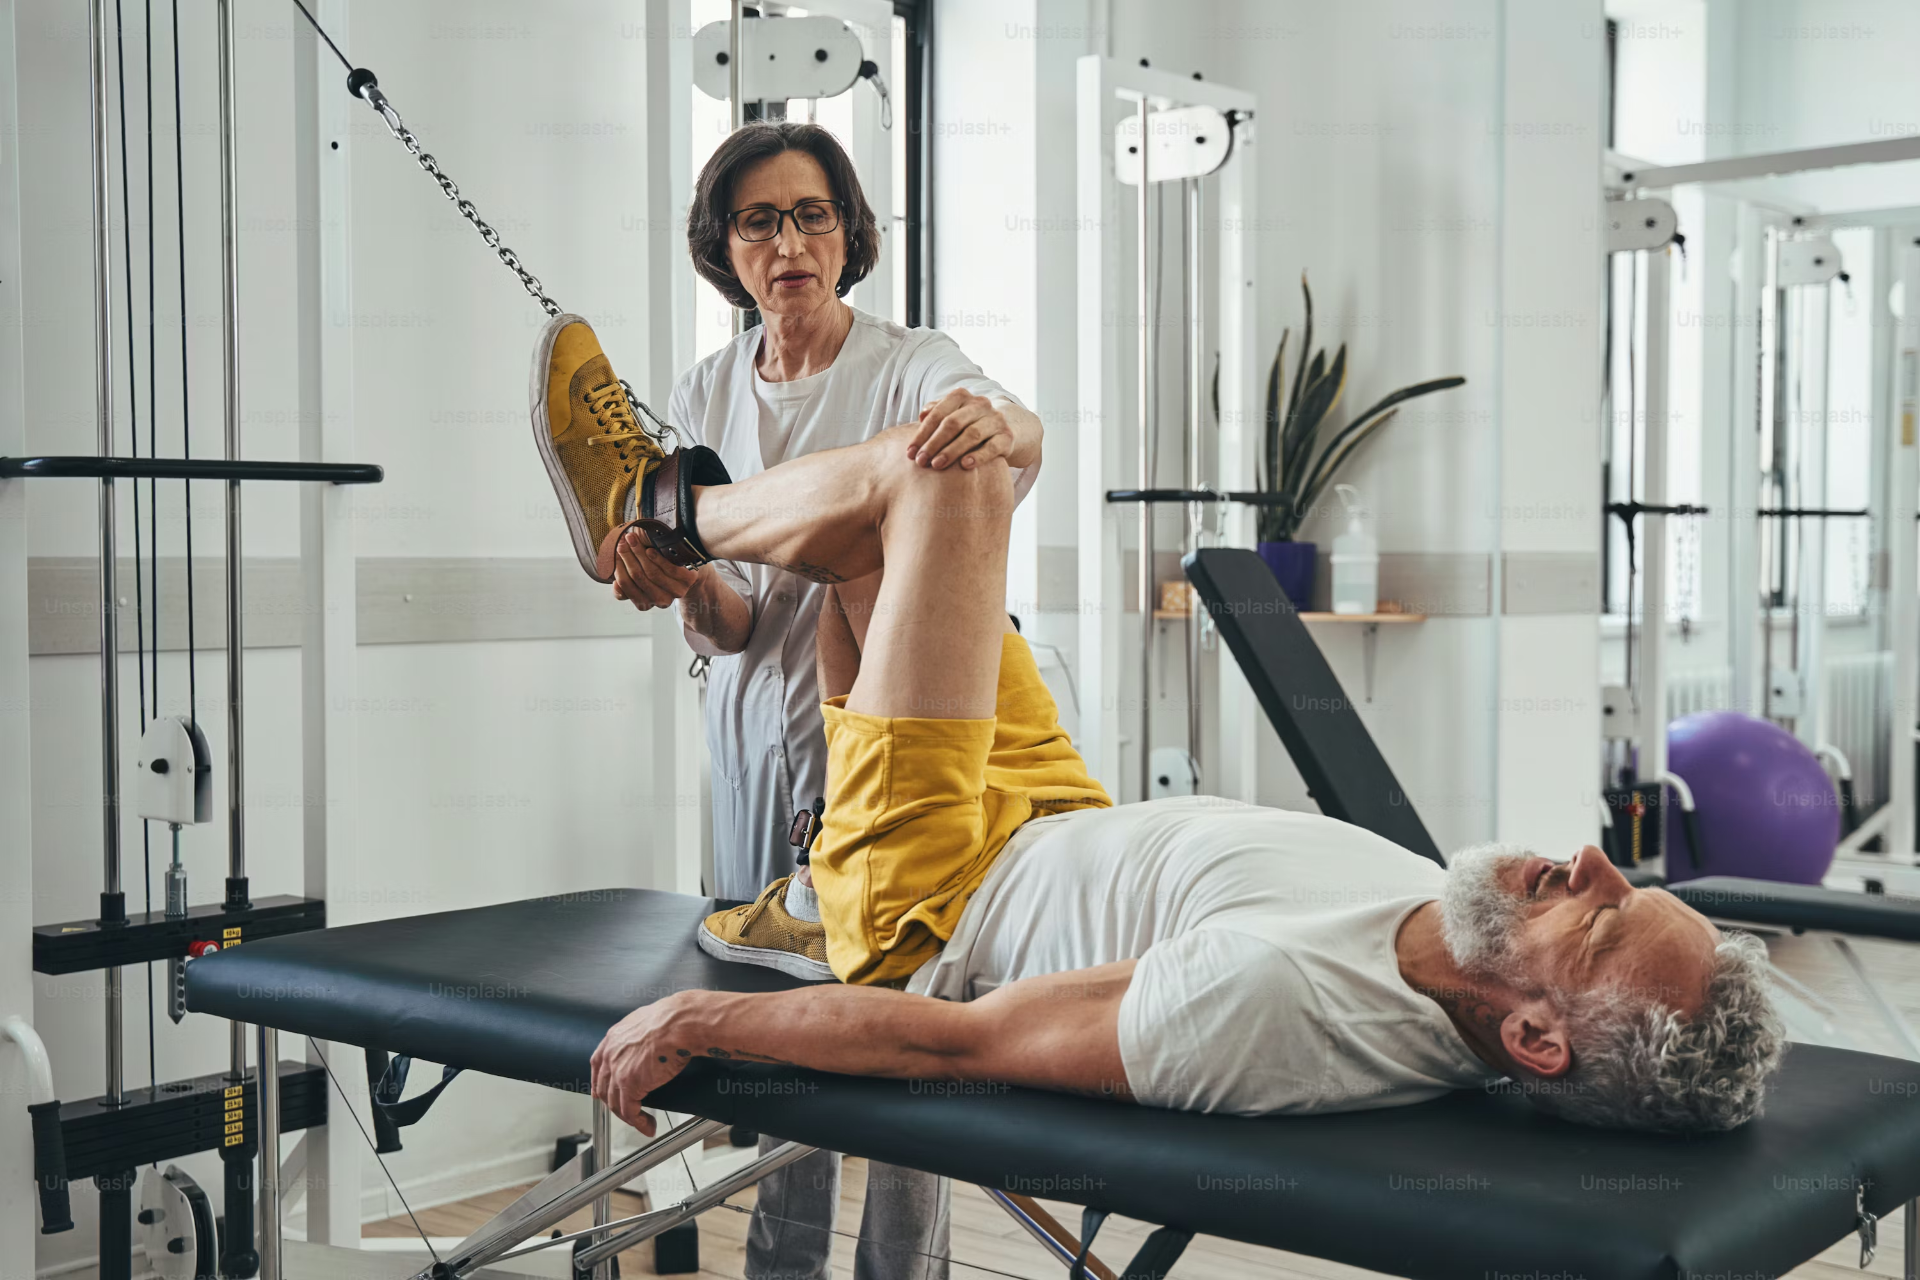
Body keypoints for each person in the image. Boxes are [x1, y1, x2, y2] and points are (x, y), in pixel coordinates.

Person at [555, 423, 1785, 1141]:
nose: (1595, 860)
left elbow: (954, 1040)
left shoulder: (1274, 1008)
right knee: (913, 487)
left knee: (947, 480)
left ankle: (660, 504)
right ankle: (685, 550)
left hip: (938, 895)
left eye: (1602, 917)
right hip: (1054, 808)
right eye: (1626, 881)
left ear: (1533, 1035)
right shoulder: (1460, 924)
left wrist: (698, 1017)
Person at [530, 120, 1043, 1280]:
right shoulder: (704, 390)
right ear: (726, 248)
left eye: (811, 214)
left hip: (886, 743)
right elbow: (736, 622)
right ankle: (782, 1266)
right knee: (773, 1041)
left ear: (848, 233)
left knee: (893, 1043)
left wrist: (1006, 422)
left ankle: (905, 1273)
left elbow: (1010, 436)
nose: (789, 242)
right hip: (753, 746)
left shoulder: (910, 361)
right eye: (758, 221)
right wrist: (679, 582)